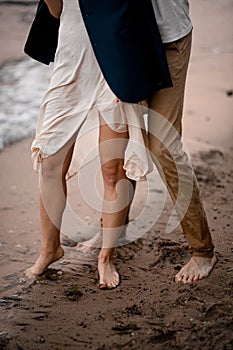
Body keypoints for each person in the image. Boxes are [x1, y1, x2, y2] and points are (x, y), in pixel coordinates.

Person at [25, 0, 172, 289]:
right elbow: (56, 11)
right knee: (50, 163)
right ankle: (49, 249)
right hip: (70, 63)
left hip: (115, 65)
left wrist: (131, 71)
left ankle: (106, 257)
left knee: (112, 170)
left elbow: (136, 11)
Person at [76, 0, 218, 284]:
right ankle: (116, 228)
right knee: (124, 135)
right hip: (127, 43)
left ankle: (202, 250)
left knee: (162, 145)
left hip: (169, 39)